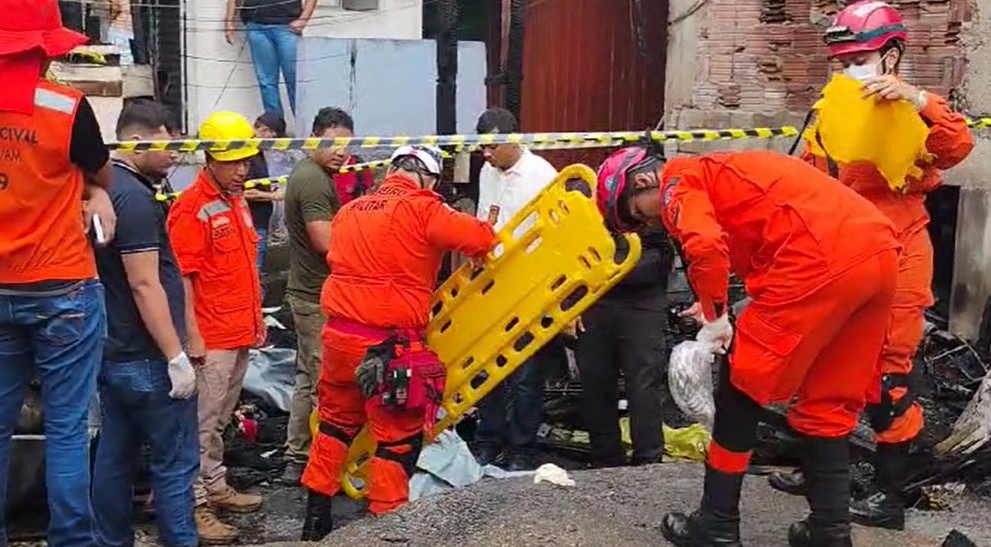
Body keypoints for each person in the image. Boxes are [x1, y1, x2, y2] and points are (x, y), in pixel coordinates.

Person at [594, 146, 902, 546]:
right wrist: (709, 299)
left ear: (641, 181)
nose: (652, 221)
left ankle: (716, 524)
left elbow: (704, 244)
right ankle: (829, 531)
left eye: (639, 213)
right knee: (829, 401)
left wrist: (717, 317)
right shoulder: (725, 174)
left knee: (740, 387)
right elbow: (746, 241)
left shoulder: (678, 180)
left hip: (816, 261)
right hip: (878, 255)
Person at [768, 1, 975, 532]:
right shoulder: (831, 110)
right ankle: (821, 472)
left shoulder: (912, 110)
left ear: (891, 54)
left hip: (899, 253)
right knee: (822, 364)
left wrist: (919, 98)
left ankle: (889, 495)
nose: (848, 69)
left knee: (889, 377)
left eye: (859, 58)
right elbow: (812, 178)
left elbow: (958, 146)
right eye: (841, 60)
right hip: (838, 251)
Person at [299, 145, 497, 540]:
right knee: (397, 438)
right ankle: (386, 527)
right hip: (387, 344)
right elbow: (477, 239)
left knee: (335, 425)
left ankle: (315, 517)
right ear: (429, 178)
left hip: (338, 336)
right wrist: (487, 227)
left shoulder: (352, 209)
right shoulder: (424, 208)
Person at [0, 2, 115, 544]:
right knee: (67, 428)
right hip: (60, 284)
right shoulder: (65, 107)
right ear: (44, 47)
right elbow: (102, 172)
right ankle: (71, 539)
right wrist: (91, 189)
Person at [91, 99, 199, 547]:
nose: (174, 154)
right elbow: (144, 284)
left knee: (114, 457)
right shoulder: (133, 199)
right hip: (147, 356)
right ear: (136, 140)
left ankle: (109, 541)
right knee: (174, 464)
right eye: (168, 143)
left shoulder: (102, 190)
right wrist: (176, 355)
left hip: (111, 349)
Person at [167, 111, 266, 544]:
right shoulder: (192, 208)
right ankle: (194, 506)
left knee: (219, 418)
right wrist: (193, 338)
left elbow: (242, 268)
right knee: (199, 425)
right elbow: (183, 278)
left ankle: (216, 485)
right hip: (212, 338)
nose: (243, 169)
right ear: (210, 158)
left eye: (247, 160)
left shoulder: (236, 200)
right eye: (234, 161)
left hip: (239, 330)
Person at [280, 107, 369, 483]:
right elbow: (324, 239)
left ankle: (297, 457)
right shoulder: (314, 180)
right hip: (316, 296)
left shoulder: (315, 173)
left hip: (307, 292)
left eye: (346, 145)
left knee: (306, 378)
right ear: (314, 137)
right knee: (325, 384)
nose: (341, 152)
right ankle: (323, 468)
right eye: (332, 143)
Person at [472, 107, 562, 471]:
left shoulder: (543, 176)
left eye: (492, 147)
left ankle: (523, 447)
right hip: (492, 282)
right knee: (487, 367)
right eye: (482, 148)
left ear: (513, 139)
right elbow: (484, 219)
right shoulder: (486, 172)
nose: (487, 155)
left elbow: (556, 234)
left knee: (526, 373)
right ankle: (488, 439)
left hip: (529, 284)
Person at [573, 225, 673, 468]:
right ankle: (605, 459)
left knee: (643, 386)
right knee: (596, 384)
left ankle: (648, 459)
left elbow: (670, 249)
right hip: (594, 301)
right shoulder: (586, 193)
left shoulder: (653, 199)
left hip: (641, 302)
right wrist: (569, 305)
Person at [224, 0, 317, 117]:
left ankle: (304, 129)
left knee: (295, 80)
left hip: (287, 26)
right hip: (256, 25)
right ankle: (275, 128)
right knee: (266, 82)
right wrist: (229, 21)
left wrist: (304, 19)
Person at [245, 111, 287, 283]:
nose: (272, 140)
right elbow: (245, 191)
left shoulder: (257, 153)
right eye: (271, 135)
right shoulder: (248, 155)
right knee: (253, 272)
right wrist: (274, 195)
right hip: (253, 223)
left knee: (256, 271)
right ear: (262, 129)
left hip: (260, 221)